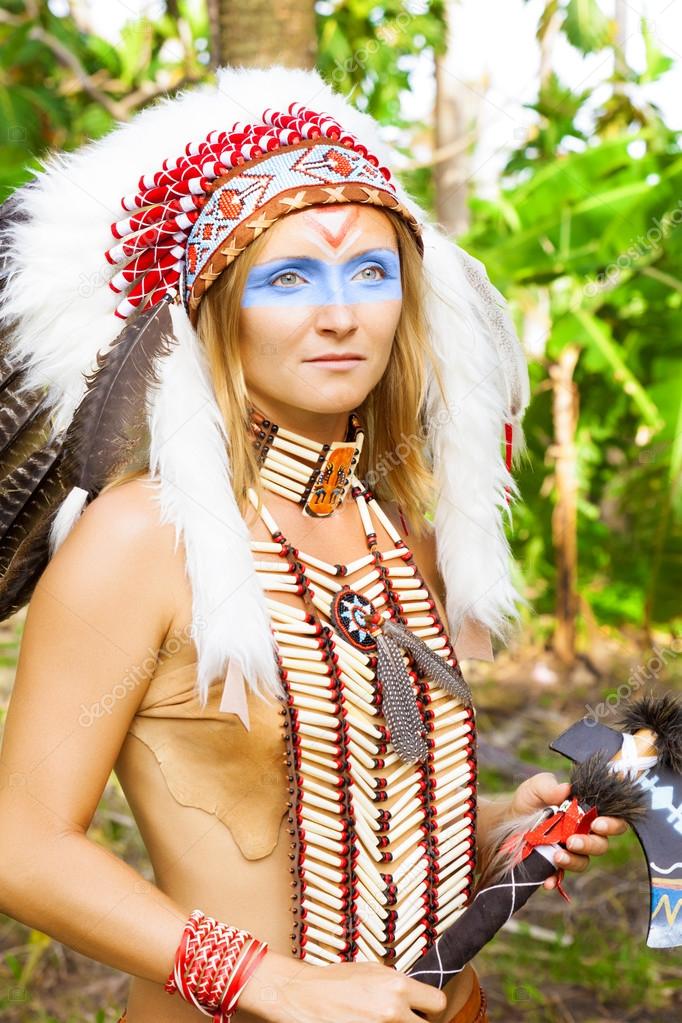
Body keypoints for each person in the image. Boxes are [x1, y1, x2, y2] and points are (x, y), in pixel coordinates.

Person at [0, 65, 627, 1022]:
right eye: (289, 277)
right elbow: (21, 845)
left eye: (371, 272)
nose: (341, 314)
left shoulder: (403, 532)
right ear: (213, 307)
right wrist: (264, 978)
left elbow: (374, 793)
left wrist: (500, 828)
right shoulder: (142, 539)